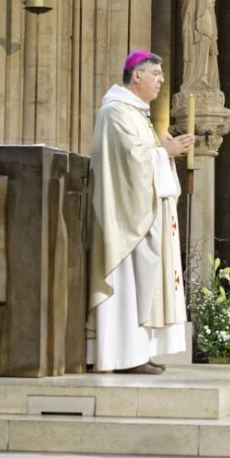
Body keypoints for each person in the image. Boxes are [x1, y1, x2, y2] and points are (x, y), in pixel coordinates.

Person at [86, 50, 195, 375]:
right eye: (156, 74)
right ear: (137, 75)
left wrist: (162, 151)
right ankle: (121, 356)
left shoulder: (136, 113)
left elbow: (142, 156)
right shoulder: (116, 111)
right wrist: (164, 152)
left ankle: (136, 353)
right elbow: (130, 162)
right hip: (124, 221)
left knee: (142, 285)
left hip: (141, 216)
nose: (161, 80)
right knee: (128, 283)